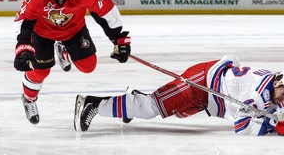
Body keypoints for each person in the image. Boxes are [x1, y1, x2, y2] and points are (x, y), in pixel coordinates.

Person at [13, 0, 131, 125]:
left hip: (73, 30)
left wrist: (119, 38)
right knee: (40, 71)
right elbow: (24, 21)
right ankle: (29, 99)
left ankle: (64, 52)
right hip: (41, 33)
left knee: (89, 65)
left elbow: (106, 11)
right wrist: (24, 47)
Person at [74, 55, 284, 136]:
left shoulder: (272, 83)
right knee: (151, 108)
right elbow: (242, 128)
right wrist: (273, 127)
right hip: (200, 85)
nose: (283, 99)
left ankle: (133, 100)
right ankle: (93, 104)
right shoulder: (257, 95)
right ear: (277, 83)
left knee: (178, 114)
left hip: (209, 94)